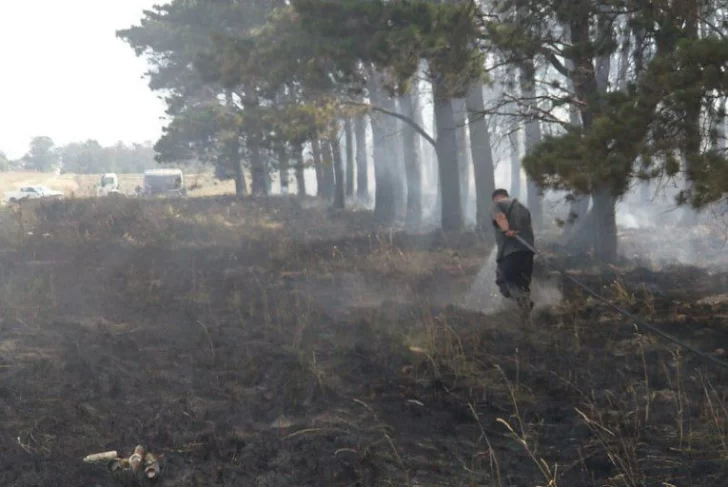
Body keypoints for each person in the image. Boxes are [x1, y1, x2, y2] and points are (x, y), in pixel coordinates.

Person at [491, 188, 535, 321]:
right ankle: (526, 321)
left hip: (510, 253)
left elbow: (500, 217)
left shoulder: (497, 204)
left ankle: (523, 302)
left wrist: (506, 229)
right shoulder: (523, 208)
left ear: (495, 198)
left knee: (504, 280)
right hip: (527, 252)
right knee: (523, 284)